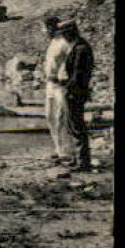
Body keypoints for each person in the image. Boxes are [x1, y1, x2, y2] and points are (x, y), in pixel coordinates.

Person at [59, 20, 97, 171]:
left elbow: (78, 75)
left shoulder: (81, 49)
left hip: (75, 93)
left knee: (76, 126)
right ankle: (78, 159)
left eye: (64, 34)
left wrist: (67, 87)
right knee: (73, 125)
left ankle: (82, 162)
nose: (63, 37)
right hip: (77, 91)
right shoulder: (80, 46)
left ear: (70, 33)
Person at [41, 16, 71, 163]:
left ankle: (65, 150)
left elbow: (68, 62)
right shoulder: (52, 42)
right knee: (49, 116)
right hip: (50, 83)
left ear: (53, 28)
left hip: (60, 84)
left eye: (46, 29)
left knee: (61, 117)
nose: (44, 32)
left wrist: (64, 78)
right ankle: (57, 148)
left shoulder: (64, 43)